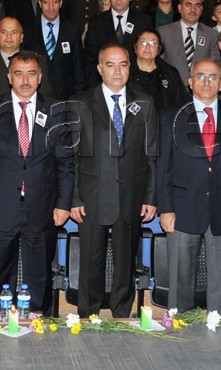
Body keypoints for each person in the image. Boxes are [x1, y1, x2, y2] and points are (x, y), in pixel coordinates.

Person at [0, 51, 75, 313]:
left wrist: (63, 204)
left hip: (42, 206)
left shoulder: (56, 110)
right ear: (9, 77)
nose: (25, 80)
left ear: (40, 77)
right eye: (19, 74)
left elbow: (66, 163)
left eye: (31, 73)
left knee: (39, 274)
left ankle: (37, 322)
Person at [70, 45, 158, 318]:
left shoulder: (145, 103)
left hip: (131, 194)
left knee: (125, 263)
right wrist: (74, 198)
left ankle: (121, 315)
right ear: (100, 69)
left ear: (130, 67)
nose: (117, 70)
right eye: (110, 64)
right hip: (92, 195)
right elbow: (71, 156)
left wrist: (150, 197)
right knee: (90, 262)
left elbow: (152, 154)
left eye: (123, 64)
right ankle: (88, 315)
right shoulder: (80, 103)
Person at [158, 58, 221, 314]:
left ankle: (219, 325)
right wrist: (166, 208)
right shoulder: (171, 116)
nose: (206, 81)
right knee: (180, 279)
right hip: (182, 209)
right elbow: (163, 166)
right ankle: (179, 325)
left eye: (213, 77)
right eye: (200, 76)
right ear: (190, 82)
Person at [127, 26, 187, 111]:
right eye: (143, 42)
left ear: (159, 49)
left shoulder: (170, 73)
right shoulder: (124, 72)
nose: (147, 47)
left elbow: (183, 105)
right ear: (135, 47)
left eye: (153, 43)